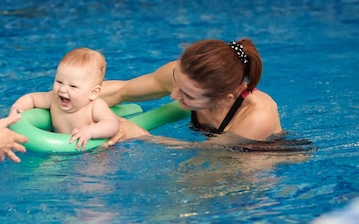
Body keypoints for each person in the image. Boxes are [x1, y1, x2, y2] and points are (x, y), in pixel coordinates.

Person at [100, 39, 282, 145]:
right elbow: (122, 90)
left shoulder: (258, 114)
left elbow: (213, 156)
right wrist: (75, 97)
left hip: (259, 159)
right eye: (176, 82)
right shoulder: (185, 77)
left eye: (188, 95)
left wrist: (143, 136)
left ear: (223, 98)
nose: (173, 95)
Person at [9, 47, 120, 150]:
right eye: (59, 81)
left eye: (73, 86)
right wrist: (18, 106)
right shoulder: (53, 99)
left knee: (96, 168)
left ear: (93, 93)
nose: (62, 89)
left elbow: (112, 124)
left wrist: (90, 131)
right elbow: (32, 98)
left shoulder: (94, 106)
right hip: (60, 148)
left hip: (90, 150)